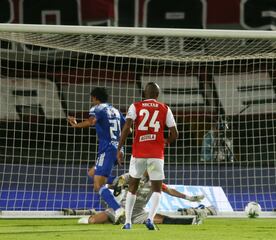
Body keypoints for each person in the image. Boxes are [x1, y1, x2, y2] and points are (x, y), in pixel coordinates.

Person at [117, 82, 178, 230]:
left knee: (132, 187)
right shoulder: (165, 108)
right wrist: (166, 142)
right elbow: (175, 133)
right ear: (157, 95)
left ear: (144, 94)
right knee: (157, 189)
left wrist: (119, 148)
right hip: (156, 154)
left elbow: (126, 127)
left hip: (138, 153)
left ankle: (128, 222)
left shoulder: (135, 106)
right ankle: (150, 219)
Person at [67, 87, 125, 223]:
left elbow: (91, 121)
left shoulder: (97, 108)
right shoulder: (116, 111)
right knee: (92, 173)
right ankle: (118, 182)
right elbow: (127, 127)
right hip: (117, 148)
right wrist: (119, 148)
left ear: (94, 98)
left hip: (107, 149)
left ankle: (118, 210)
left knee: (98, 185)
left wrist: (76, 125)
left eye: (92, 98)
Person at [78, 172, 206, 225]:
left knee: (164, 220)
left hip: (139, 214)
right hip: (121, 211)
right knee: (95, 221)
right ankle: (88, 217)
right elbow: (120, 180)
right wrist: (121, 185)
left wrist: (189, 197)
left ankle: (193, 220)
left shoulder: (156, 182)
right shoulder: (133, 176)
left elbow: (170, 191)